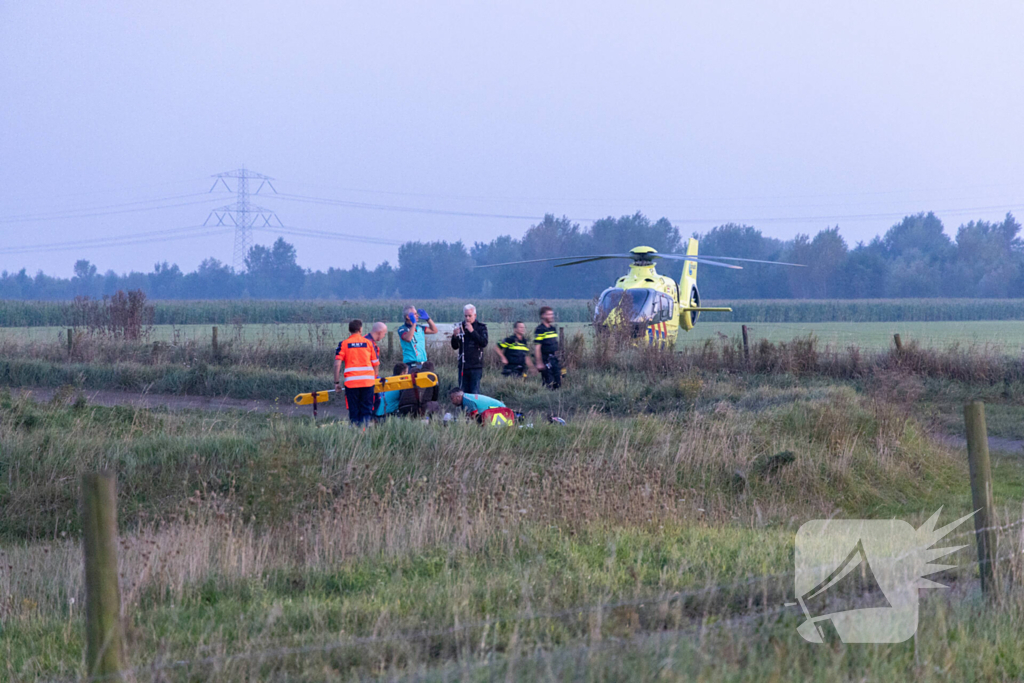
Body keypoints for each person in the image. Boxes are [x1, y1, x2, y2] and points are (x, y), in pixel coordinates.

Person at [334, 319, 380, 425]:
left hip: (352, 383)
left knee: (354, 411)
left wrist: (337, 382)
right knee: (366, 410)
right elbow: (376, 363)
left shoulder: (344, 344)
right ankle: (364, 431)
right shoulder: (369, 343)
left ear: (350, 330)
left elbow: (337, 364)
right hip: (368, 383)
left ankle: (355, 432)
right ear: (360, 329)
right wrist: (375, 377)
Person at [450, 304, 488, 394]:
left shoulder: (481, 327)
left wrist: (472, 331)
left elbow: (484, 342)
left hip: (476, 366)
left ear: (475, 315)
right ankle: (464, 408)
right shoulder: (461, 327)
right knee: (463, 392)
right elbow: (455, 346)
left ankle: (474, 408)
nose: (467, 318)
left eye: (469, 316)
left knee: (474, 392)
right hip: (463, 366)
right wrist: (454, 336)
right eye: (465, 316)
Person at [398, 306, 438, 370]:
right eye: (414, 314)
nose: (417, 315)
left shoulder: (419, 328)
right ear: (408, 317)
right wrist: (413, 324)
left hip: (423, 363)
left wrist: (428, 319)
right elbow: (408, 338)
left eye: (417, 313)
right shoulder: (402, 329)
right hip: (411, 364)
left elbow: (434, 330)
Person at [534, 306, 561, 389]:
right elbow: (537, 347)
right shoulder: (540, 329)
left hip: (554, 359)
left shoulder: (553, 329)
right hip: (545, 359)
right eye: (548, 314)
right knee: (548, 381)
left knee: (558, 379)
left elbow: (554, 344)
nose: (551, 316)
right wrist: (539, 363)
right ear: (543, 316)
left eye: (552, 314)